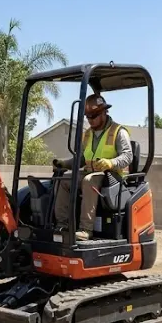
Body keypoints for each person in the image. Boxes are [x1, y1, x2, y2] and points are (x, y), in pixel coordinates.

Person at [52, 93, 133, 241]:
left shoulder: (118, 132)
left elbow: (128, 156)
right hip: (91, 172)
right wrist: (64, 164)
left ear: (104, 112)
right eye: (88, 116)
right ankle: (62, 225)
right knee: (64, 179)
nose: (90, 120)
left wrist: (111, 163)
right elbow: (82, 158)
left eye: (93, 116)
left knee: (89, 181)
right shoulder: (88, 134)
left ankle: (85, 229)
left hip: (111, 176)